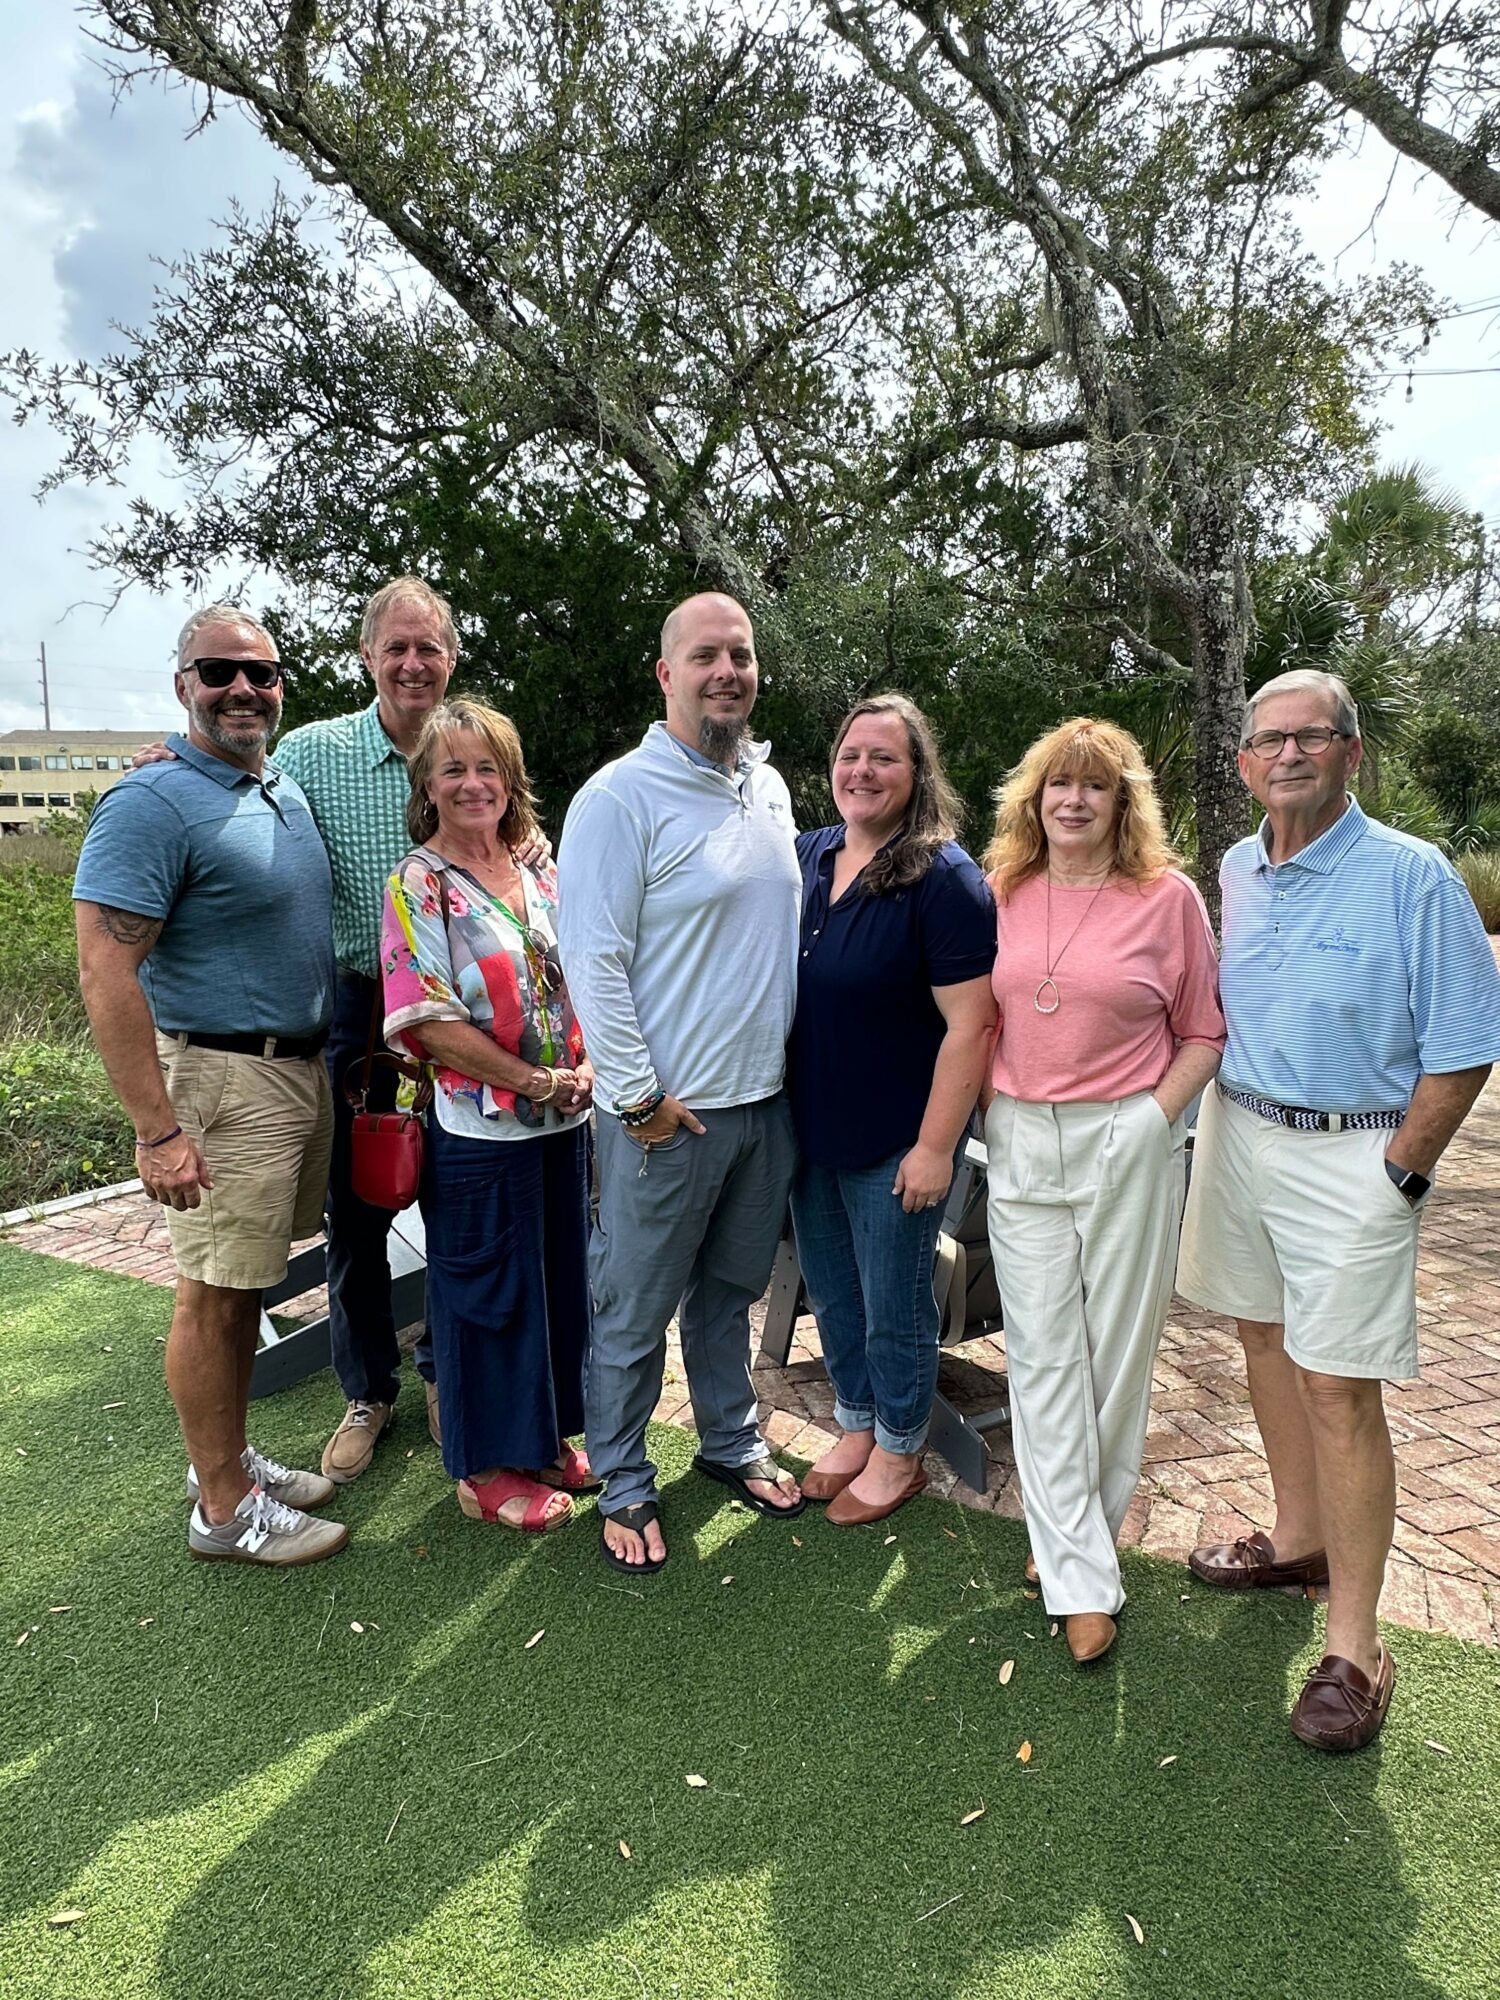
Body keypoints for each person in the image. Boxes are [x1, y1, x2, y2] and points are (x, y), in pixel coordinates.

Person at [1177, 669, 1500, 1751]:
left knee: (1338, 1385)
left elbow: (1463, 1048)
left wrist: (1401, 1173)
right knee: (1263, 1339)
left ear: (1353, 753)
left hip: (1355, 1152)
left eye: (1314, 735)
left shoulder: (1413, 876)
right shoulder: (1235, 868)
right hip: (1242, 1133)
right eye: (1270, 739)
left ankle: (1358, 1644)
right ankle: (1299, 1536)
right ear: (1245, 763)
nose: (1291, 753)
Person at [74, 606, 347, 1567]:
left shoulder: (275, 787)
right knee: (212, 1294)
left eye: (262, 674)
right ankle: (224, 1511)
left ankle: (227, 1462)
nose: (244, 689)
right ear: (183, 682)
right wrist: (156, 1131)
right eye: (219, 671)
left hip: (290, 1069)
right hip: (219, 1076)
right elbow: (105, 972)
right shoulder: (150, 803)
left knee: (243, 1285)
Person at [557, 591, 804, 1574]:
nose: (726, 670)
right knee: (633, 1303)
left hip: (764, 1106)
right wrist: (634, 1097)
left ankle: (728, 1438)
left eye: (740, 653)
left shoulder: (771, 788)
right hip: (668, 1116)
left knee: (728, 1293)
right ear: (666, 673)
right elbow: (593, 955)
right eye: (705, 654)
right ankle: (622, 1474)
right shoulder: (621, 797)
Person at [982, 718, 1225, 1662]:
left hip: (1129, 1133)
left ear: (1124, 804)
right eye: (1058, 785)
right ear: (1033, 800)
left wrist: (1151, 1120)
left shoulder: (1168, 901)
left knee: (1115, 1356)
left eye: (1096, 787)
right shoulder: (998, 890)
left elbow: (1205, 1030)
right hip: (1019, 1134)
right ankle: (1078, 1562)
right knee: (1042, 1351)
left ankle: (1077, 1548)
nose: (1074, 801)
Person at [380, 699, 596, 1531]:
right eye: (453, 769)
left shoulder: (542, 867)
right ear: (427, 785)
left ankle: (537, 1438)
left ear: (510, 781)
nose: (473, 784)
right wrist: (537, 1082)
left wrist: (585, 1067)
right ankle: (482, 1468)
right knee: (486, 1298)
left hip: (564, 1126)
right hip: (479, 1132)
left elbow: (589, 971)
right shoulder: (418, 882)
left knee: (553, 1287)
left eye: (487, 768)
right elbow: (428, 1024)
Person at [787, 695, 997, 1524]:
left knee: (893, 1302)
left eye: (884, 757)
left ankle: (902, 1447)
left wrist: (937, 1147)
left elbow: (971, 1025)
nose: (862, 770)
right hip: (810, 1129)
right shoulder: (808, 855)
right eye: (851, 755)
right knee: (833, 1295)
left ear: (917, 775)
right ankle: (856, 1423)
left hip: (897, 1140)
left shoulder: (944, 880)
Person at [274, 577, 457, 1482]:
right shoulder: (310, 752)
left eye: (429, 648)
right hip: (359, 1010)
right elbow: (233, 788)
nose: (413, 664)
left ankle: (444, 1374)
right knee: (359, 1212)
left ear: (451, 659)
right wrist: (167, 758)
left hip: (463, 1013)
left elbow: (523, 834)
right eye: (398, 647)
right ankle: (368, 1388)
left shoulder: (471, 746)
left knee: (458, 1200)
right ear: (368, 656)